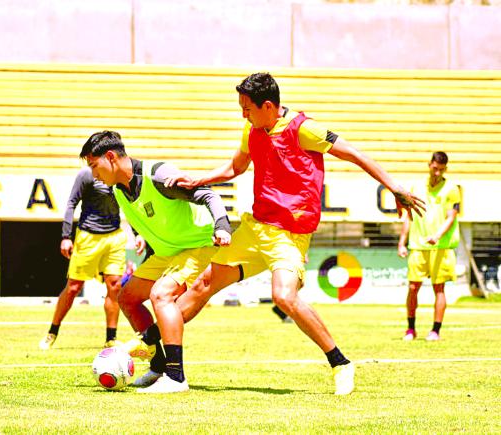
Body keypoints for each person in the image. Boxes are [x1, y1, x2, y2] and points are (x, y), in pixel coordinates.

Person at [163, 72, 425, 395]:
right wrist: (199, 180)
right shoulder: (253, 129)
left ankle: (340, 363)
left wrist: (395, 187)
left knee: (284, 296)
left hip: (289, 235)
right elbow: (235, 168)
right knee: (203, 283)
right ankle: (160, 357)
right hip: (254, 228)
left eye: (247, 108)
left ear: (269, 106)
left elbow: (354, 153)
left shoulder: (304, 129)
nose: (243, 114)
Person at [79, 130, 232, 393]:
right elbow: (142, 215)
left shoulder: (157, 175)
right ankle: (158, 366)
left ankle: (176, 377)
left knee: (161, 295)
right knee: (126, 297)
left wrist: (222, 226)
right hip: (166, 252)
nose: (93, 174)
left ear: (111, 157)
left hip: (199, 244)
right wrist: (140, 236)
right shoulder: (118, 191)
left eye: (94, 165)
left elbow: (207, 194)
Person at [39, 167, 126, 350]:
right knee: (73, 287)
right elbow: (72, 203)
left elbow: (131, 204)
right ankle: (52, 332)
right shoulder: (87, 174)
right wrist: (65, 236)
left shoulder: (121, 174)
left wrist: (137, 233)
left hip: (115, 236)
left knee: (115, 285)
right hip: (88, 236)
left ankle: (111, 338)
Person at [398, 151, 460, 342]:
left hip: (441, 246)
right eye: (434, 168)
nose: (437, 173)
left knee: (439, 288)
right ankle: (410, 329)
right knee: (413, 287)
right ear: (429, 165)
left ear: (445, 169)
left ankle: (435, 330)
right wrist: (402, 242)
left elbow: (451, 217)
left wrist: (437, 235)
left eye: (441, 170)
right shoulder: (416, 186)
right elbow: (409, 216)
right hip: (418, 244)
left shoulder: (451, 188)